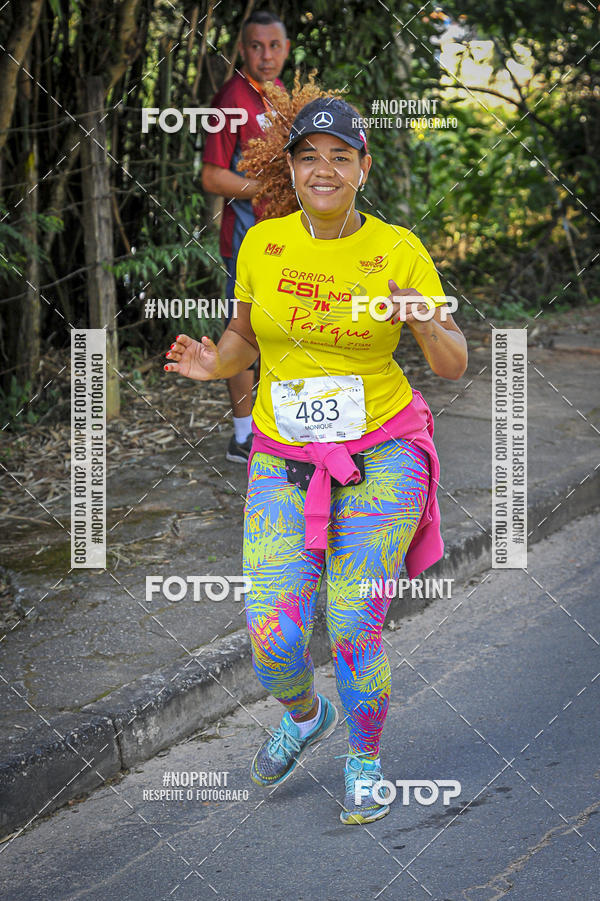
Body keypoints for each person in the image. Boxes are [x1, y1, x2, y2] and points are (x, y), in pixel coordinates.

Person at [166, 96, 468, 824]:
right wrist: (216, 364)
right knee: (274, 639)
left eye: (341, 156)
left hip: (385, 452)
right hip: (283, 456)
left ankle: (365, 758)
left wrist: (424, 320)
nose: (324, 169)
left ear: (364, 167)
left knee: (353, 616)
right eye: (310, 156)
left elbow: (454, 362)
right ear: (291, 169)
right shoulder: (263, 245)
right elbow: (244, 338)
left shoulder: (397, 250)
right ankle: (306, 716)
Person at [201, 9, 290, 463]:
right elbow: (213, 177)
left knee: (285, 327)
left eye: (274, 45)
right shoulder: (230, 100)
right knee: (244, 331)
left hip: (285, 236)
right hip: (245, 237)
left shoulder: (279, 96)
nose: (266, 55)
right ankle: (242, 438)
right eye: (256, 46)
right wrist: (270, 189)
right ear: (242, 49)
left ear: (287, 49)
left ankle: (280, 427)